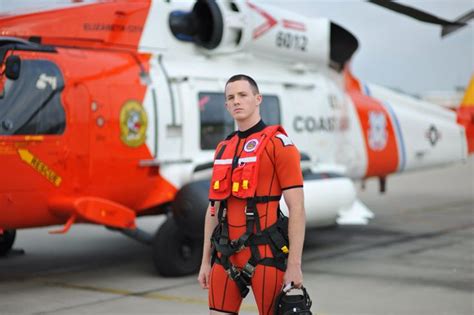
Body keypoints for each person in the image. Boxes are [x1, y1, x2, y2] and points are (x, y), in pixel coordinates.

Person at [198, 74, 306, 315]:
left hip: (266, 255)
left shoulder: (279, 144)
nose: (236, 101)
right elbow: (213, 208)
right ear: (226, 105)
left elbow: (297, 208)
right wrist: (205, 261)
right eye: (230, 97)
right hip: (224, 257)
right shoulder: (223, 148)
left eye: (243, 95)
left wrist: (294, 265)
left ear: (258, 99)